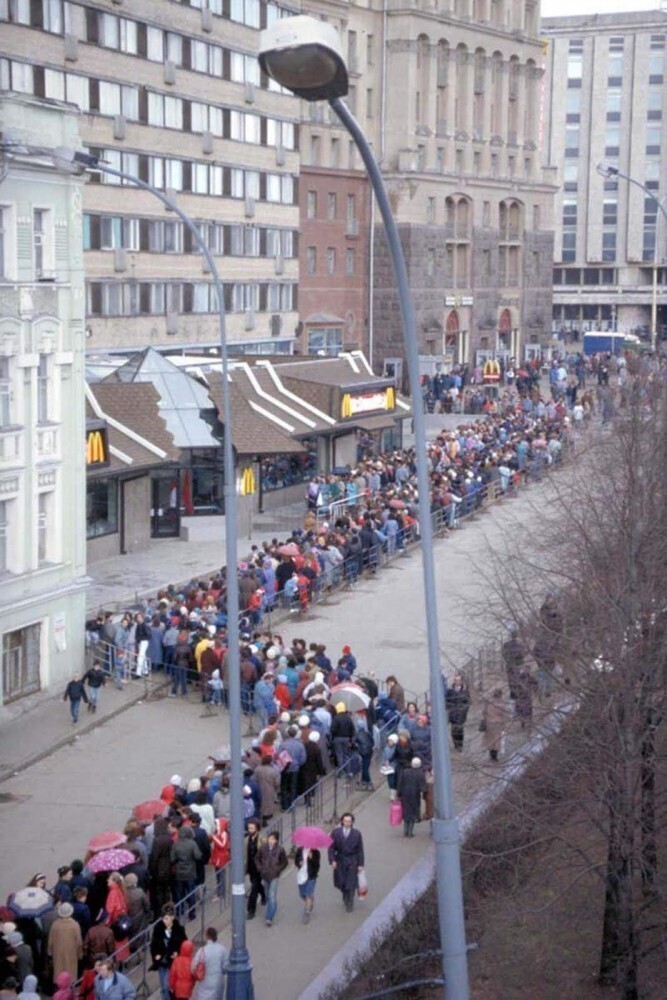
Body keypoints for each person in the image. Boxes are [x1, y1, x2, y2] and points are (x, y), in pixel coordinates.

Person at [328, 813, 365, 913]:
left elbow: (360, 850)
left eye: (349, 821)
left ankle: (350, 902)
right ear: (342, 822)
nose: (347, 823)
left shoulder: (357, 834)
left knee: (351, 883)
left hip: (352, 860)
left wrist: (360, 864)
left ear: (352, 822)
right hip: (340, 860)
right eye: (345, 821)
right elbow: (331, 848)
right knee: (342, 883)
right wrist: (332, 860)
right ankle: (345, 896)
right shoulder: (336, 833)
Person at [150, 905, 186, 1000]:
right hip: (163, 962)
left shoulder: (179, 930)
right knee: (164, 986)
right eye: (163, 918)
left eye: (166, 918)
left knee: (170, 986)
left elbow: (184, 944)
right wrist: (156, 955)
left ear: (172, 918)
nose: (164, 921)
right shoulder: (158, 929)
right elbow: (153, 945)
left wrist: (177, 953)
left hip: (174, 963)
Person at [256, 832, 288, 928]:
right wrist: (260, 868)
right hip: (265, 875)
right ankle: (269, 912)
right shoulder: (263, 848)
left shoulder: (280, 849)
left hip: (274, 876)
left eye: (272, 839)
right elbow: (257, 858)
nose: (270, 841)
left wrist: (278, 869)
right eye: (269, 838)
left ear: (276, 840)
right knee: (267, 895)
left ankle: (269, 917)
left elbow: (284, 862)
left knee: (272, 895)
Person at [170, 827, 201, 922]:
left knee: (179, 894)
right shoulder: (192, 844)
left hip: (179, 873)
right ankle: (192, 913)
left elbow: (172, 859)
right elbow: (198, 856)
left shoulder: (176, 844)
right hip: (190, 872)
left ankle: (179, 912)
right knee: (191, 893)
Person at [47, 903, 82, 985]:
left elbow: (50, 941)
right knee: (71, 973)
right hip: (71, 953)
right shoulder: (75, 925)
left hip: (58, 952)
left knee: (58, 970)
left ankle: (59, 987)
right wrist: (80, 954)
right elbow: (79, 942)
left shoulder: (55, 924)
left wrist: (50, 952)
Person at [191, 928, 227, 1000]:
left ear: (207, 936)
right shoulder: (222, 949)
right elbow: (225, 967)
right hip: (218, 981)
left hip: (204, 982)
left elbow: (193, 967)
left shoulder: (202, 950)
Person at [396, 757, 426, 838]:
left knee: (406, 811)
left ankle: (405, 830)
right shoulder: (420, 773)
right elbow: (423, 787)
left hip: (405, 794)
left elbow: (400, 784)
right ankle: (410, 832)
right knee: (413, 812)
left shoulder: (405, 772)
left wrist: (398, 794)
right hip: (415, 795)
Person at [244, 820, 265, 920]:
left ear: (257, 829)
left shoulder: (261, 840)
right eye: (249, 828)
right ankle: (264, 895)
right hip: (250, 867)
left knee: (254, 889)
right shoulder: (246, 840)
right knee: (256, 884)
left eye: (252, 828)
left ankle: (251, 910)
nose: (249, 830)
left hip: (259, 868)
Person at [294, 847, 320, 924]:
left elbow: (317, 865)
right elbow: (296, 861)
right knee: (302, 894)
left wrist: (311, 858)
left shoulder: (315, 852)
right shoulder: (299, 850)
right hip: (301, 876)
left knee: (308, 894)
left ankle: (307, 912)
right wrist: (299, 862)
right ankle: (310, 901)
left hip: (311, 876)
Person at [445, 674, 471, 751]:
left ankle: (460, 744)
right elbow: (447, 701)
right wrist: (450, 708)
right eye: (456, 680)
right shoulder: (450, 691)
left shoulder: (465, 691)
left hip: (461, 714)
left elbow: (467, 702)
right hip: (453, 713)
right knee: (453, 730)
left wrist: (463, 710)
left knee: (460, 730)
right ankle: (455, 744)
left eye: (459, 680)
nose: (457, 682)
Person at [482, 688, 508, 762]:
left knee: (490, 739)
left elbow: (484, 712)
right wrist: (504, 725)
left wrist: (487, 718)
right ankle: (494, 757)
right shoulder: (501, 704)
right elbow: (504, 715)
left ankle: (491, 755)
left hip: (489, 723)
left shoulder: (488, 703)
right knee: (497, 740)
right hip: (498, 723)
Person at [210, 818, 230, 901]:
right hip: (217, 857)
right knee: (218, 876)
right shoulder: (218, 833)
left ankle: (221, 894)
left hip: (221, 858)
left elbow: (222, 845)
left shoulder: (224, 834)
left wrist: (214, 838)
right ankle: (220, 893)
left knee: (221, 876)